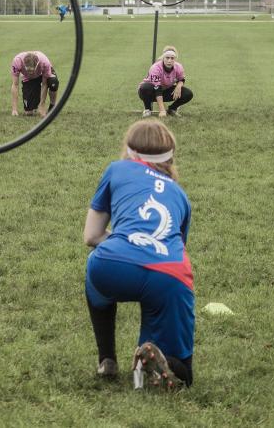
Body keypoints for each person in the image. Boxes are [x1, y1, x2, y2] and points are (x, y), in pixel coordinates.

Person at [83, 119, 194, 390]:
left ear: (130, 152)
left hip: (112, 265)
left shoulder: (117, 169)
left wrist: (125, 240)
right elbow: (174, 248)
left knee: (94, 266)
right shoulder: (180, 195)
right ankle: (154, 358)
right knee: (185, 374)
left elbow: (91, 236)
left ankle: (107, 359)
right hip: (169, 276)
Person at [137, 46, 193, 117]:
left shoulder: (178, 67)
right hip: (151, 91)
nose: (169, 61)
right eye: (167, 58)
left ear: (175, 59)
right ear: (163, 57)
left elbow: (181, 79)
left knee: (188, 94)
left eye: (172, 58)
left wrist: (179, 86)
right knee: (144, 87)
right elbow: (157, 88)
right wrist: (162, 110)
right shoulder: (155, 68)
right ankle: (147, 109)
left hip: (165, 90)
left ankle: (172, 109)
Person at [10, 51, 59, 117]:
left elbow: (44, 84)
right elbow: (15, 85)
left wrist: (42, 105)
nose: (30, 72)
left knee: (53, 82)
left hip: (42, 73)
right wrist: (14, 109)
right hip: (29, 78)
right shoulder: (17, 61)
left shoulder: (44, 62)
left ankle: (52, 106)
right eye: (28, 70)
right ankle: (33, 103)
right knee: (29, 113)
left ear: (37, 64)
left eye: (32, 70)